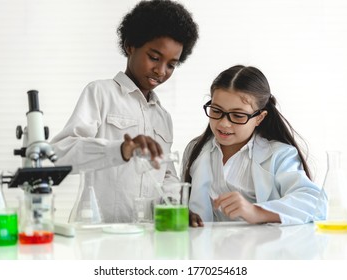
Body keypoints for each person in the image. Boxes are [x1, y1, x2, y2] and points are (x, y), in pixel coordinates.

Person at [51, 0, 199, 223]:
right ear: (131, 45)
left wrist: (177, 206)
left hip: (147, 236)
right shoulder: (100, 93)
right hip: (98, 235)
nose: (161, 71)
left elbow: (166, 174)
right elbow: (60, 155)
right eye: (155, 57)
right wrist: (121, 150)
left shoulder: (163, 117)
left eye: (171, 64)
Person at [181, 65, 326, 227]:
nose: (223, 123)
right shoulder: (196, 149)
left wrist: (255, 211)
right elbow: (181, 200)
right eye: (216, 111)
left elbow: (314, 202)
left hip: (261, 249)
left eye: (237, 115)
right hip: (207, 248)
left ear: (259, 118)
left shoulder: (279, 155)